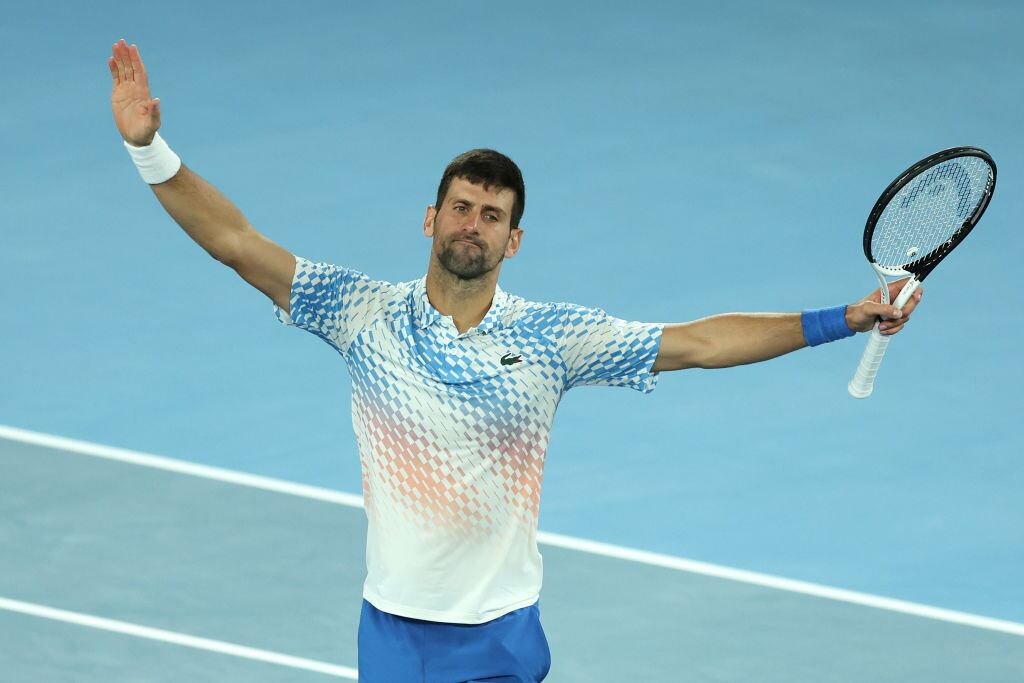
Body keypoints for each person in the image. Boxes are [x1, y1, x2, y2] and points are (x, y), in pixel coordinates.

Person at [108, 38, 922, 682]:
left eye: (492, 215)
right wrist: (152, 153)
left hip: (502, 633)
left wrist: (841, 319)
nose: (474, 223)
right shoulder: (361, 313)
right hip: (393, 628)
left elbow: (700, 342)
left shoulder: (551, 338)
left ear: (514, 239)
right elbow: (236, 243)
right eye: (461, 207)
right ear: (429, 219)